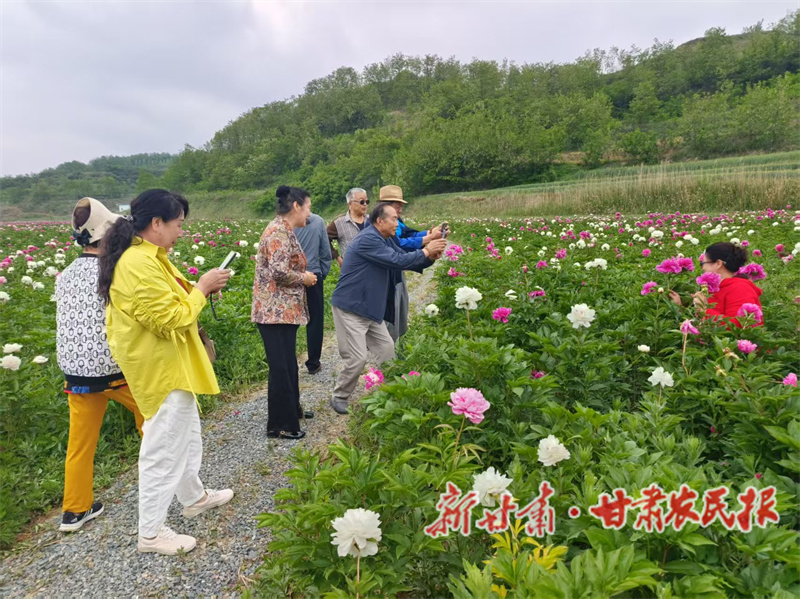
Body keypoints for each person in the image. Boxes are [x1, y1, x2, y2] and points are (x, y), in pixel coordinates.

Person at [99, 189, 234, 556]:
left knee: (186, 435)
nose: (180, 232)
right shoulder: (137, 264)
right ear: (156, 223)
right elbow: (171, 318)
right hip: (159, 366)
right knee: (163, 449)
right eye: (178, 224)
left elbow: (177, 300)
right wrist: (202, 288)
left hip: (173, 363)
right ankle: (152, 533)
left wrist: (203, 290)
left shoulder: (152, 257)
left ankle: (194, 497)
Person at [55, 198, 145, 532]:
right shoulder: (113, 270)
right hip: (114, 368)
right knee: (153, 423)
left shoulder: (64, 275)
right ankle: (176, 486)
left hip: (76, 373)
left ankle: (74, 510)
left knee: (80, 444)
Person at [329, 202, 447, 414]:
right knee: (357, 358)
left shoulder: (387, 238)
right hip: (351, 307)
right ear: (379, 221)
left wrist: (430, 257)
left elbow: (406, 260)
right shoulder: (368, 239)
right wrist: (426, 250)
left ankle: (390, 393)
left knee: (387, 350)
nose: (397, 222)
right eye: (393, 218)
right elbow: (397, 260)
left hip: (371, 308)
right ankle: (340, 396)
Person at [252, 186, 318, 439]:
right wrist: (306, 277)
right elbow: (279, 272)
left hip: (282, 312)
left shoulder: (283, 229)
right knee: (281, 367)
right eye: (308, 207)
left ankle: (293, 412)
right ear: (296, 206)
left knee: (289, 364)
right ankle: (280, 425)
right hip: (274, 312)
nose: (309, 214)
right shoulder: (278, 231)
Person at [378, 185, 448, 341]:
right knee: (391, 317)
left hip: (398, 272)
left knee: (401, 314)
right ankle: (389, 356)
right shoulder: (380, 226)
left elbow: (410, 233)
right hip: (388, 276)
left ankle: (398, 350)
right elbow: (399, 245)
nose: (401, 209)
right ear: (385, 205)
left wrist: (430, 234)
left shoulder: (397, 221)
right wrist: (427, 245)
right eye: (398, 205)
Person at [669, 242, 763, 328]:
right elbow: (702, 325)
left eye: (703, 263)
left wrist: (704, 309)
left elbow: (738, 327)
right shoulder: (716, 288)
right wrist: (679, 308)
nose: (702, 268)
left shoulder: (740, 289)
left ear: (718, 263)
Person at [294, 211, 332, 374]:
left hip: (293, 277)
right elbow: (325, 252)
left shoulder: (288, 222)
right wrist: (321, 272)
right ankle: (313, 363)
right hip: (314, 275)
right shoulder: (318, 221)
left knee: (291, 320)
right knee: (315, 320)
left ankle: (290, 363)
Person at [327, 188, 369, 266]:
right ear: (350, 204)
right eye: (362, 201)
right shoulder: (339, 222)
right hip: (351, 270)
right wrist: (337, 257)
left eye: (367, 201)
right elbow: (324, 238)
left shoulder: (371, 220)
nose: (365, 204)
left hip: (372, 269)